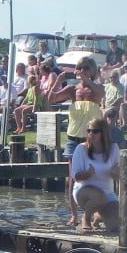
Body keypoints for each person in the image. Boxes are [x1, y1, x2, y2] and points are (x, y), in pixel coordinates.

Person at [47, 56, 105, 227]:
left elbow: (102, 94)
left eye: (87, 68)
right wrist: (57, 80)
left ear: (92, 70)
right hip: (74, 138)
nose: (83, 71)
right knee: (73, 178)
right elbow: (51, 99)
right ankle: (73, 215)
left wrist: (88, 80)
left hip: (92, 138)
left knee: (95, 174)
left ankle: (93, 212)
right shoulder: (73, 90)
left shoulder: (96, 89)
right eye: (81, 68)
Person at [70, 117, 120, 232]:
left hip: (107, 192)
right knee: (99, 197)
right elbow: (76, 177)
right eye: (89, 131)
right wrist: (87, 174)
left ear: (104, 133)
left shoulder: (114, 148)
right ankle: (86, 218)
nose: (91, 134)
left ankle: (98, 216)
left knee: (115, 226)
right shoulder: (81, 149)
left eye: (95, 131)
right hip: (83, 191)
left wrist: (116, 173)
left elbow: (118, 174)